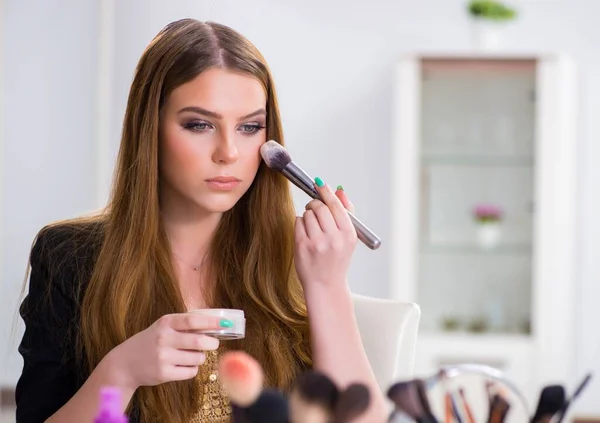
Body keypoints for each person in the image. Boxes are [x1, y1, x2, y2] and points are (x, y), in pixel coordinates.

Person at [15, 18, 386, 423]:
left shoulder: (295, 257)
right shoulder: (68, 256)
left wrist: (328, 285)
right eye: (200, 124)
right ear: (149, 129)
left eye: (249, 127)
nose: (228, 151)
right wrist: (120, 373)